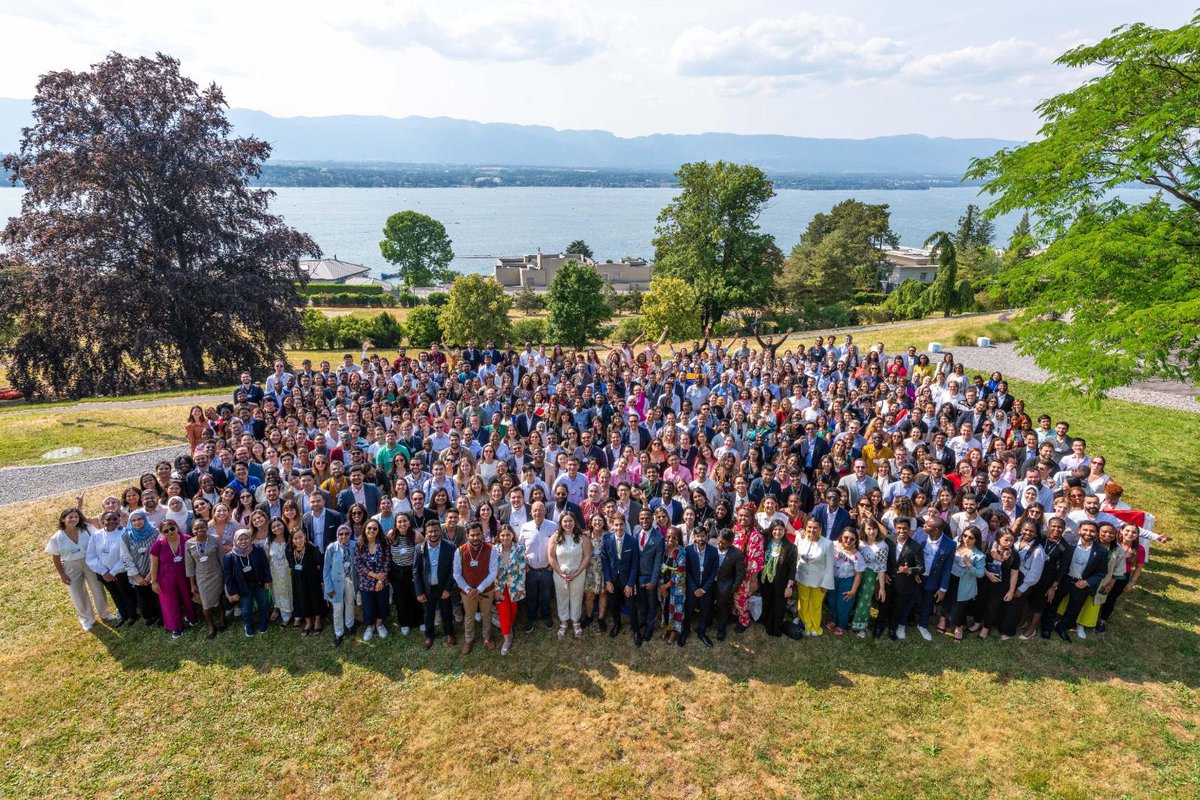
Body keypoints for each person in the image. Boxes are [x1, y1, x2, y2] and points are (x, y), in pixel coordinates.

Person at [47, 508, 114, 632]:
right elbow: (55, 557)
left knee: (97, 588)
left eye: (76, 517)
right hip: (70, 566)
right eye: (70, 517)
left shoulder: (87, 529)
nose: (74, 519)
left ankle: (105, 614)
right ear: (63, 519)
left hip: (91, 562)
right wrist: (62, 574)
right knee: (77, 593)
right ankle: (87, 620)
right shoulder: (56, 538)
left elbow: (100, 539)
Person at [1053, 520, 1111, 642]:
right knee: (1054, 601)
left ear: (1096, 533)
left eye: (1092, 531)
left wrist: (1087, 582)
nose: (1088, 533)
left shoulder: (1101, 551)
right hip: (1065, 579)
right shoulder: (1070, 546)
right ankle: (1048, 623)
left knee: (1074, 608)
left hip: (1082, 584)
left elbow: (1101, 572)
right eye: (1085, 530)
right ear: (1079, 530)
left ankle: (1061, 626)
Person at [86, 508, 139, 627]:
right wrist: (104, 572)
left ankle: (132, 615)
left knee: (126, 592)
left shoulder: (125, 533)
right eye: (108, 519)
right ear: (102, 521)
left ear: (119, 519)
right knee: (114, 594)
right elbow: (91, 556)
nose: (112, 521)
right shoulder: (96, 535)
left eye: (115, 519)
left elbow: (127, 555)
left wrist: (113, 572)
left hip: (121, 572)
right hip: (103, 573)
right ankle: (122, 615)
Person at [454, 521, 499, 654]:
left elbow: (493, 572)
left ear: (482, 534)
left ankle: (487, 637)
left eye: (478, 534)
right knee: (469, 615)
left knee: (487, 614)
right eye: (472, 535)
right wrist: (469, 590)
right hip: (467, 591)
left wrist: (479, 589)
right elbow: (456, 574)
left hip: (487, 590)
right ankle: (468, 639)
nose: (475, 538)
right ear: (467, 535)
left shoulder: (492, 549)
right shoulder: (460, 551)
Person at [148, 519, 196, 639]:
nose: (170, 532)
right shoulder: (158, 545)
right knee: (170, 603)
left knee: (188, 598)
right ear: (162, 533)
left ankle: (192, 618)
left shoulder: (187, 539)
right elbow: (154, 565)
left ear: (176, 527)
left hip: (185, 576)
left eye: (172, 528)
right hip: (166, 580)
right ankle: (175, 627)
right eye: (166, 531)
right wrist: (154, 582)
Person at [414, 519, 457, 650]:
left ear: (440, 531)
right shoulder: (419, 548)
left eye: (436, 531)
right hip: (427, 588)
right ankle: (429, 636)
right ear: (426, 534)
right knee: (428, 613)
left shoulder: (450, 546)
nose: (433, 534)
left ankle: (449, 633)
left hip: (443, 587)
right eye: (430, 532)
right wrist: (419, 591)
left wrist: (448, 589)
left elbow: (453, 570)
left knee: (446, 611)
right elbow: (416, 571)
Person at [548, 512, 591, 639]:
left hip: (578, 573)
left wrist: (577, 573)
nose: (568, 524)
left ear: (575, 522)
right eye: (565, 521)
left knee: (576, 596)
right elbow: (551, 557)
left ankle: (576, 621)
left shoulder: (582, 537)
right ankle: (564, 622)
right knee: (562, 597)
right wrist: (560, 573)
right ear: (561, 523)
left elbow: (587, 556)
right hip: (560, 574)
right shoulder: (555, 537)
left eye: (570, 521)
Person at [878, 518, 922, 640]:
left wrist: (909, 570)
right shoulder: (888, 540)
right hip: (888, 580)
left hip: (904, 583)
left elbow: (921, 568)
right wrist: (885, 572)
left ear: (909, 529)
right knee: (884, 604)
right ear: (895, 528)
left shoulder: (915, 546)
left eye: (905, 528)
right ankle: (879, 626)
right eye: (899, 528)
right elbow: (883, 559)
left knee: (899, 607)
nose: (902, 531)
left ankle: (893, 628)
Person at [224, 528, 273, 638]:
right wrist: (232, 592)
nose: (243, 541)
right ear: (235, 541)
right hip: (243, 587)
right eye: (240, 539)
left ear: (250, 539)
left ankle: (263, 622)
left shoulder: (257, 550)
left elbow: (265, 566)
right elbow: (228, 576)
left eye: (246, 538)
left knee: (263, 604)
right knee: (246, 608)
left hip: (259, 583)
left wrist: (268, 580)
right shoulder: (230, 556)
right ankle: (248, 625)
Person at [120, 509, 163, 627]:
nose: (137, 522)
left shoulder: (155, 533)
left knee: (158, 596)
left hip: (155, 572)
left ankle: (161, 616)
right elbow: (125, 557)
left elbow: (160, 554)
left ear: (145, 519)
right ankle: (149, 616)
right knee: (143, 597)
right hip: (138, 573)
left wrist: (150, 575)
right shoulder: (126, 537)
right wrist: (137, 577)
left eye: (140, 519)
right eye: (133, 520)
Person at [184, 519, 226, 639]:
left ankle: (222, 620)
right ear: (192, 530)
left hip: (217, 574)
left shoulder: (215, 539)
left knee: (220, 598)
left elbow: (222, 558)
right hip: (201, 577)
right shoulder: (188, 544)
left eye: (202, 527)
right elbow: (189, 565)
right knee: (206, 603)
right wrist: (192, 584)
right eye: (196, 528)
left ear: (207, 528)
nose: (199, 530)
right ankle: (210, 625)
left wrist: (226, 577)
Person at [518, 501, 556, 632]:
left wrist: (552, 566)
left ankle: (546, 615)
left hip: (547, 569)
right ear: (531, 513)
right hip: (531, 570)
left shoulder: (553, 526)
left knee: (546, 595)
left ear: (545, 511)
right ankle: (531, 618)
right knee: (531, 596)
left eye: (540, 510)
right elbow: (520, 548)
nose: (538, 513)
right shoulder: (525, 527)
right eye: (535, 510)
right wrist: (525, 566)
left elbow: (557, 547)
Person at [600, 515, 639, 641]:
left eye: (621, 524)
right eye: (616, 525)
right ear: (612, 525)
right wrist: (607, 581)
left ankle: (635, 629)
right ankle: (617, 624)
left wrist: (630, 583)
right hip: (612, 579)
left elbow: (634, 564)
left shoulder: (632, 541)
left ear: (625, 524)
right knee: (614, 603)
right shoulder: (606, 539)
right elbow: (605, 561)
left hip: (627, 579)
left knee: (631, 605)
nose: (619, 527)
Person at [795, 518, 835, 636]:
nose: (812, 530)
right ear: (806, 527)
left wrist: (826, 583)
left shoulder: (827, 543)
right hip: (801, 577)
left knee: (815, 604)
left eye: (815, 528)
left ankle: (814, 626)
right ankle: (805, 624)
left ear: (820, 529)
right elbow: (796, 558)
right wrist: (794, 576)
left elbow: (829, 566)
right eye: (810, 527)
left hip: (819, 580)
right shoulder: (800, 538)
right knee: (803, 601)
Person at [947, 526, 986, 643]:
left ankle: (959, 629)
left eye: (971, 538)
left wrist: (969, 565)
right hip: (950, 580)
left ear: (976, 540)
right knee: (950, 603)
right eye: (964, 536)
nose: (966, 539)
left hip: (964, 585)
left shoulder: (979, 555)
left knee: (959, 607)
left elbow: (980, 574)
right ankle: (959, 623)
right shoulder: (955, 544)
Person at [681, 525, 718, 647]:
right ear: (694, 537)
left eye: (703, 535)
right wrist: (694, 588)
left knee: (705, 609)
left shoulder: (713, 551)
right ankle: (685, 630)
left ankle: (701, 631)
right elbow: (687, 571)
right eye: (698, 536)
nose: (700, 538)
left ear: (707, 536)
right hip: (692, 588)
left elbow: (714, 571)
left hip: (706, 589)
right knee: (688, 609)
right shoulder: (688, 550)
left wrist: (703, 589)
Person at [851, 517, 888, 639]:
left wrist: (881, 588)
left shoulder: (882, 546)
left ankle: (861, 626)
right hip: (855, 572)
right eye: (869, 529)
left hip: (870, 575)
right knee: (854, 595)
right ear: (864, 530)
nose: (871, 532)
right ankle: (851, 617)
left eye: (874, 529)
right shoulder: (859, 542)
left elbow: (882, 568)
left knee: (864, 600)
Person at [759, 520, 797, 637]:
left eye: (780, 529)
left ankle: (775, 627)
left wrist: (789, 586)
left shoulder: (790, 547)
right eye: (775, 529)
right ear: (771, 530)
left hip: (781, 582)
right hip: (765, 580)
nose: (777, 532)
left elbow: (792, 569)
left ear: (784, 531)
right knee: (767, 601)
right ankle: (765, 621)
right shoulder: (766, 542)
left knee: (779, 605)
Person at [355, 519, 391, 641]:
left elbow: (388, 561)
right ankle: (370, 626)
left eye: (375, 528)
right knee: (368, 605)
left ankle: (379, 624)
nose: (372, 530)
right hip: (366, 581)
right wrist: (374, 576)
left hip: (382, 580)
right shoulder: (359, 543)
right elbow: (358, 563)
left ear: (378, 530)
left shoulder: (384, 542)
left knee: (382, 603)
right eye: (369, 528)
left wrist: (381, 580)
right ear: (365, 529)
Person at [385, 514, 421, 635]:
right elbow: (386, 551)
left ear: (409, 523)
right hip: (396, 571)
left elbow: (423, 549)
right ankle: (404, 623)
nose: (402, 524)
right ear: (396, 524)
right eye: (399, 522)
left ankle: (419, 621)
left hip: (412, 570)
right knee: (400, 598)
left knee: (415, 596)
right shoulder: (391, 534)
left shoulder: (415, 535)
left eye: (404, 521)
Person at [494, 524, 526, 655]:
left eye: (508, 535)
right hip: (500, 587)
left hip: (514, 586)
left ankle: (508, 628)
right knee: (503, 611)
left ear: (512, 535)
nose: (505, 537)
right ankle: (506, 638)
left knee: (513, 610)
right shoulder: (494, 549)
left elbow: (522, 569)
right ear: (499, 537)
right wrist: (495, 588)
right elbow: (491, 570)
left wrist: (520, 586)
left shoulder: (519, 548)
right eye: (502, 535)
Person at [323, 524, 357, 646]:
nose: (343, 536)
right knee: (338, 609)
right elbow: (326, 569)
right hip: (335, 583)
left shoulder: (354, 545)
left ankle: (350, 625)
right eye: (340, 534)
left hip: (350, 581)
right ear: (337, 535)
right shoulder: (332, 548)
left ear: (350, 534)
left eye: (346, 534)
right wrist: (328, 587)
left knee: (350, 604)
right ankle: (338, 632)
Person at [286, 528, 324, 636]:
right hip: (297, 579)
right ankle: (308, 622)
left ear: (305, 537)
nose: (298, 540)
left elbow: (318, 564)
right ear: (292, 539)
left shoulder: (313, 549)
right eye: (295, 538)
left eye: (300, 537)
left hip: (312, 579)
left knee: (314, 598)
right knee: (301, 598)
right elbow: (291, 564)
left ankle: (317, 620)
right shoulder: (289, 550)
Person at [711, 528, 746, 641]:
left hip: (725, 586)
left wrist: (732, 588)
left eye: (724, 544)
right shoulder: (711, 544)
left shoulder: (737, 554)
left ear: (731, 543)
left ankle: (721, 628)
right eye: (719, 541)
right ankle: (707, 622)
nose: (720, 545)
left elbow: (740, 573)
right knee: (707, 603)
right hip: (709, 582)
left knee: (722, 607)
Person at [829, 527, 865, 636]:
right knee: (832, 601)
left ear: (856, 541)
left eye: (852, 539)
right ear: (841, 537)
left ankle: (842, 625)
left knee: (843, 604)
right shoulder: (833, 545)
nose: (848, 540)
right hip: (832, 579)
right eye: (846, 537)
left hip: (847, 581)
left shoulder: (857, 556)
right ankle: (834, 620)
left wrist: (853, 591)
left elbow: (858, 576)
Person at [266, 518, 294, 627]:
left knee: (291, 592)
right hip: (276, 574)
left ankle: (295, 614)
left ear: (283, 525)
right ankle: (285, 616)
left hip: (289, 573)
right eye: (273, 527)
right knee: (279, 594)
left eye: (279, 525)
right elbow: (267, 558)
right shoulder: (269, 542)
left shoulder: (290, 539)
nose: (276, 528)